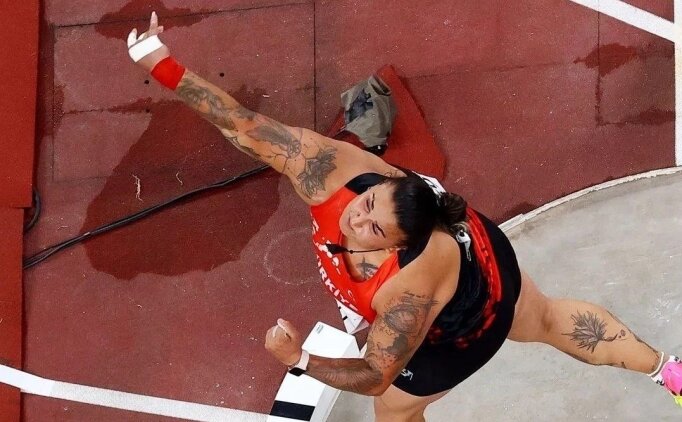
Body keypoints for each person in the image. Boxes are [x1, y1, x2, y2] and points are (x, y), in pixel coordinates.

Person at [127, 12, 682, 421]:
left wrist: (300, 359)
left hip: (466, 319)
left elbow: (376, 374)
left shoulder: (407, 290)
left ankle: (666, 371)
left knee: (395, 409)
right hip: (473, 247)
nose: (355, 220)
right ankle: (672, 371)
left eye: (372, 229)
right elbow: (246, 126)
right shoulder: (332, 173)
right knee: (542, 316)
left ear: (395, 246)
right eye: (367, 205)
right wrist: (162, 64)